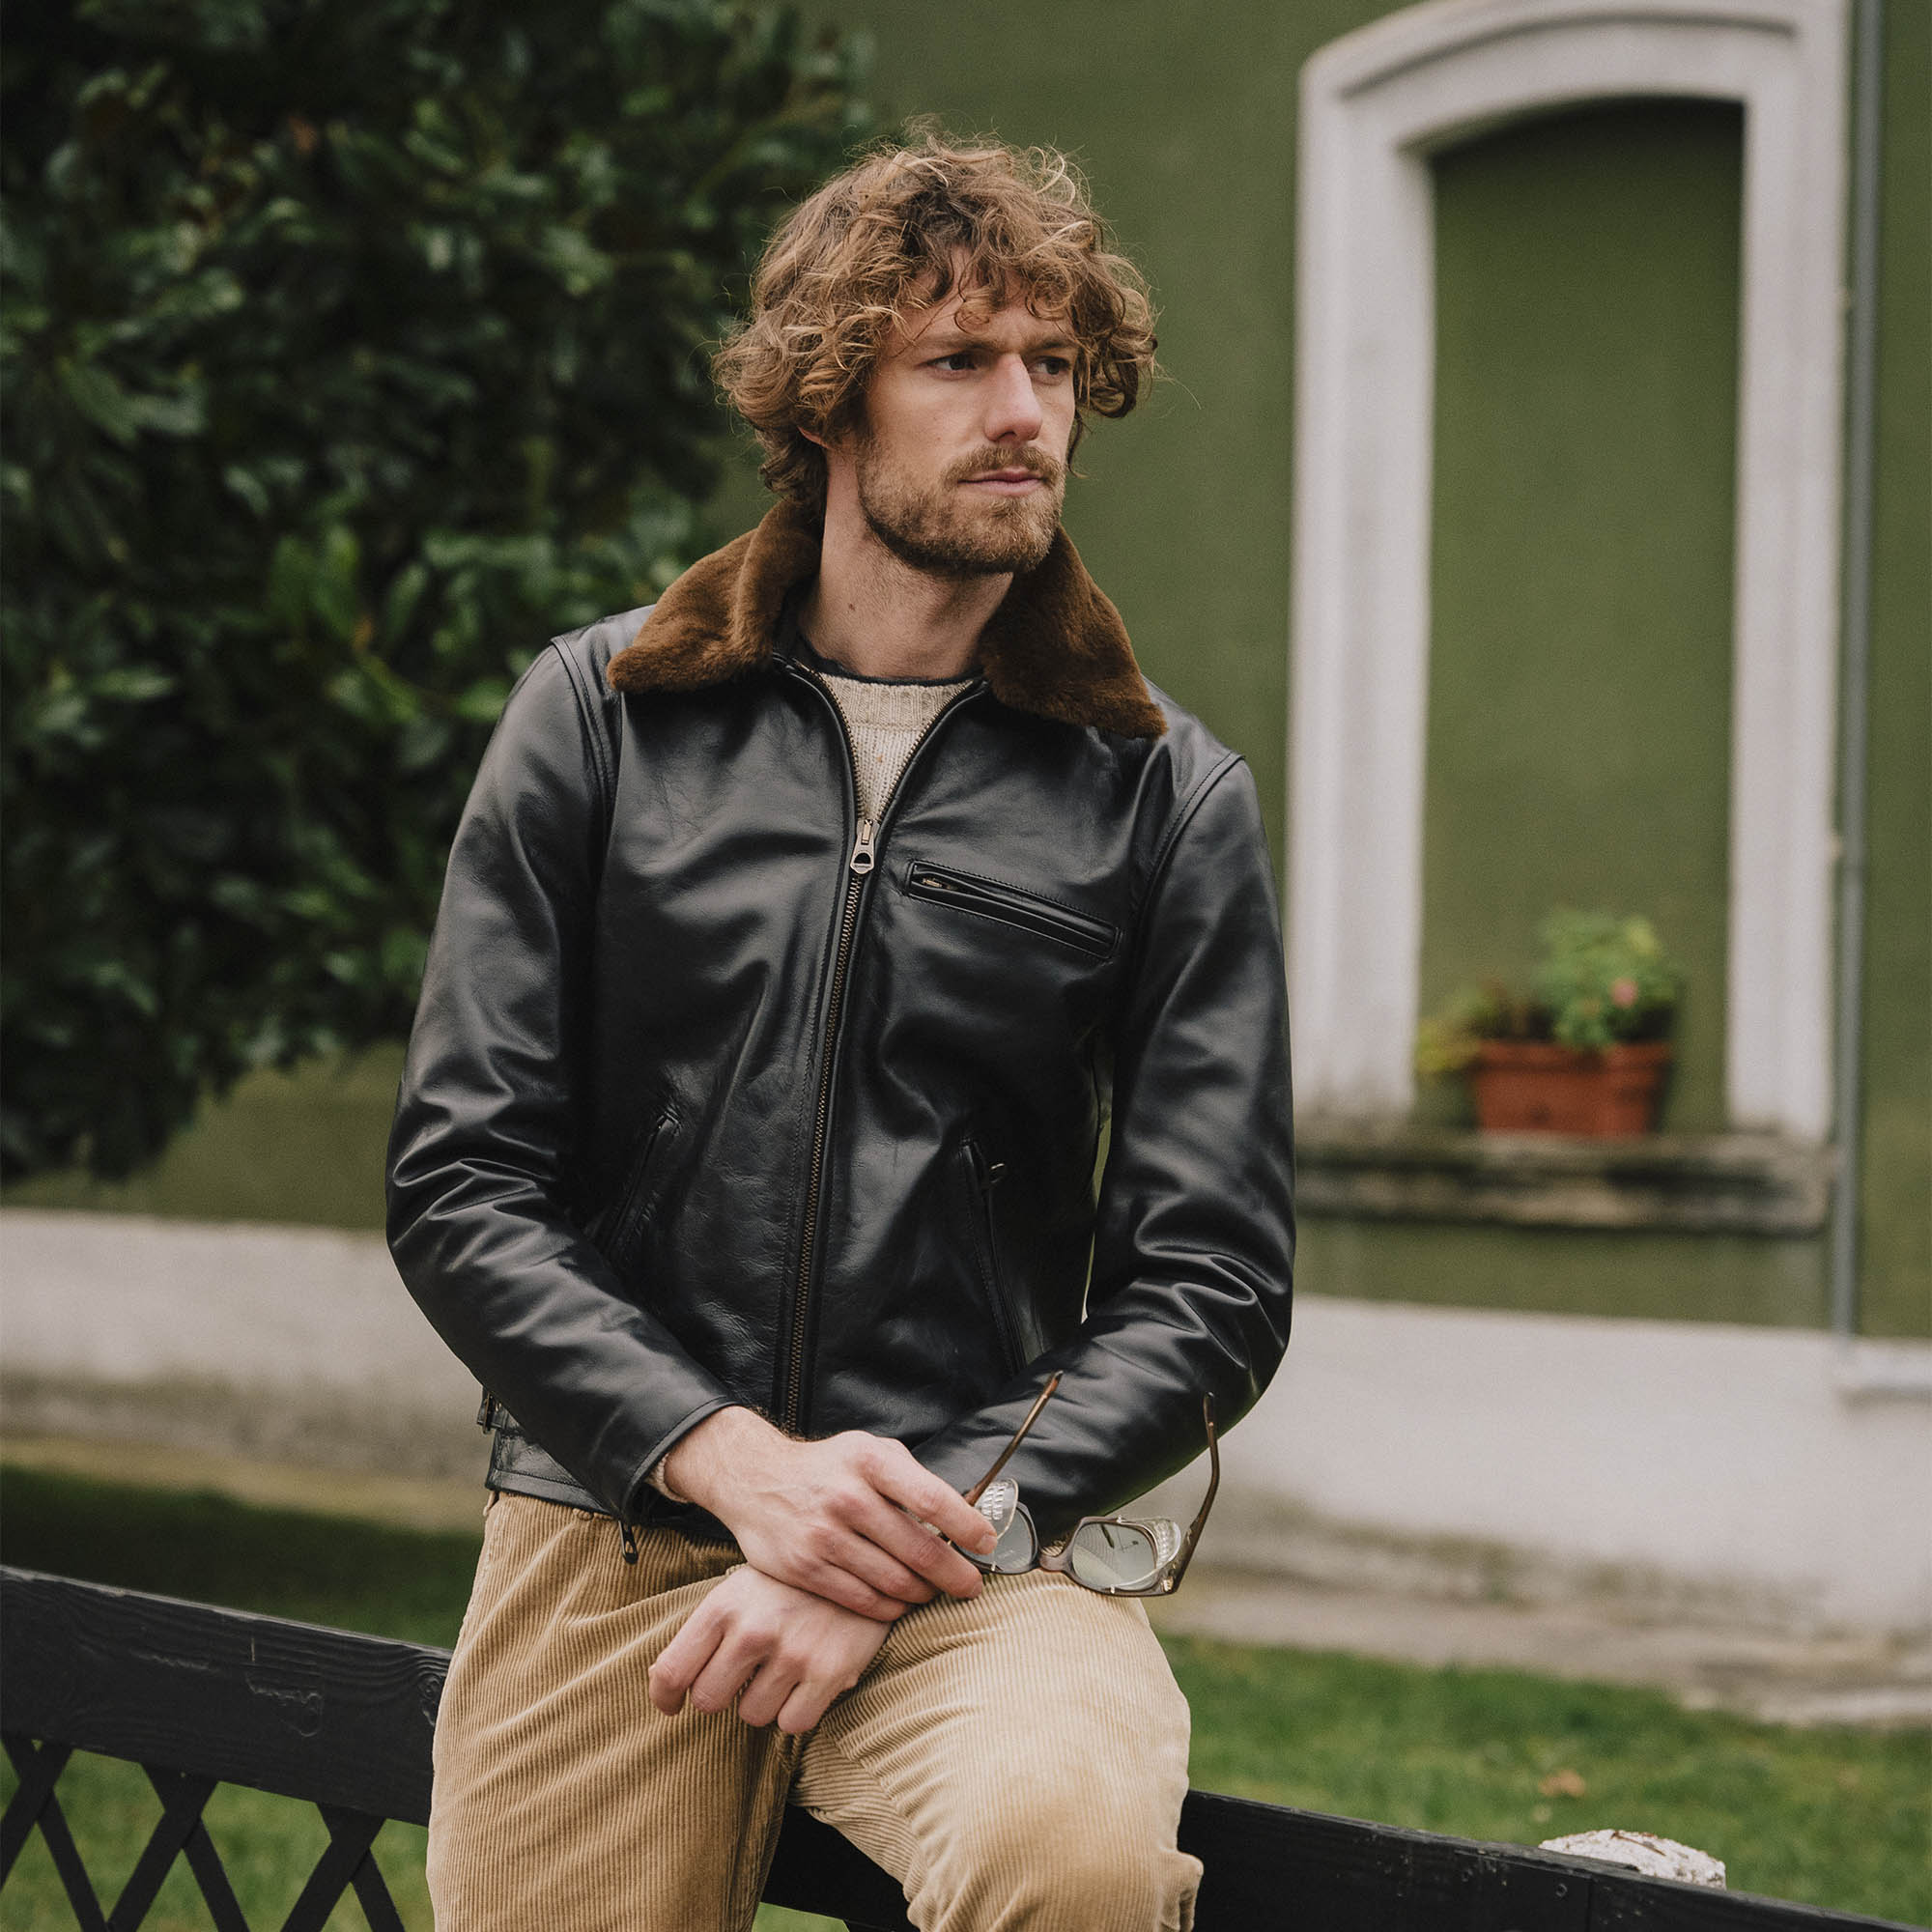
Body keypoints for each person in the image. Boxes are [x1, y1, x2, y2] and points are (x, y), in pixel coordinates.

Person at [387, 131, 1294, 1932]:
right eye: (958, 360)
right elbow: (462, 1182)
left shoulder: (1164, 797)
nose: (1023, 412)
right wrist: (736, 1465)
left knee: (1072, 1860)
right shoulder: (604, 715)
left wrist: (894, 1532)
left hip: (981, 1542)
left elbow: (1212, 1282)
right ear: (829, 405)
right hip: (619, 1524)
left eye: (1053, 364)